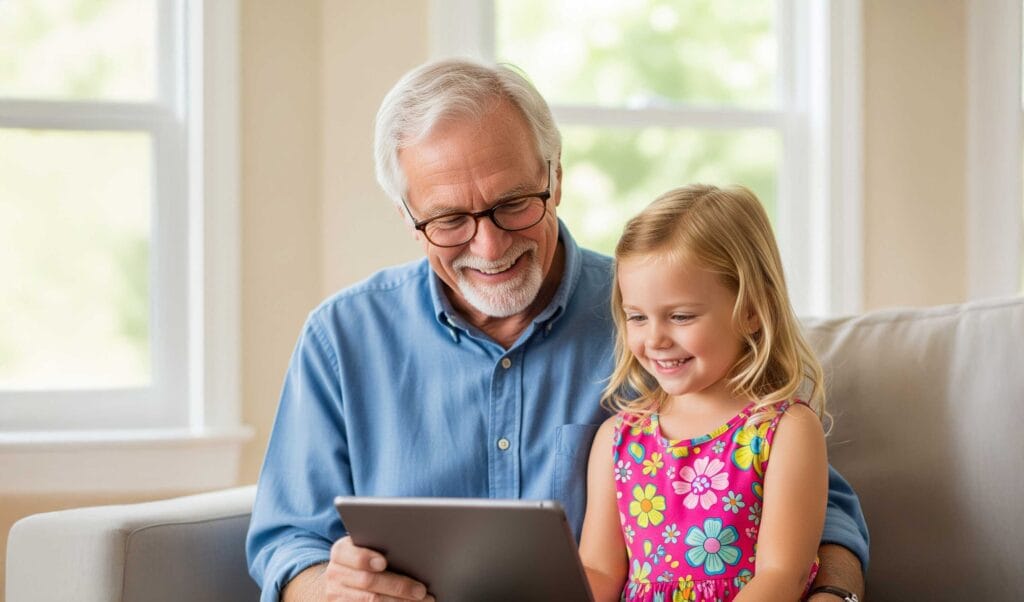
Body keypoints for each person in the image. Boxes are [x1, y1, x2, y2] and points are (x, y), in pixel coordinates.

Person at [245, 58, 869, 602]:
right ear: (410, 218)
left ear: (557, 177)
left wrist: (832, 595)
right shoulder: (342, 337)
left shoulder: (646, 312)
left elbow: (818, 516)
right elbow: (285, 540)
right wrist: (332, 588)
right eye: (450, 219)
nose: (489, 244)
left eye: (514, 202)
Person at [579, 185, 831, 601]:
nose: (655, 338)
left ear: (752, 310)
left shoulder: (784, 432)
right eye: (637, 317)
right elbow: (600, 571)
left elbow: (780, 577)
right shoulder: (617, 439)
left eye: (680, 316)